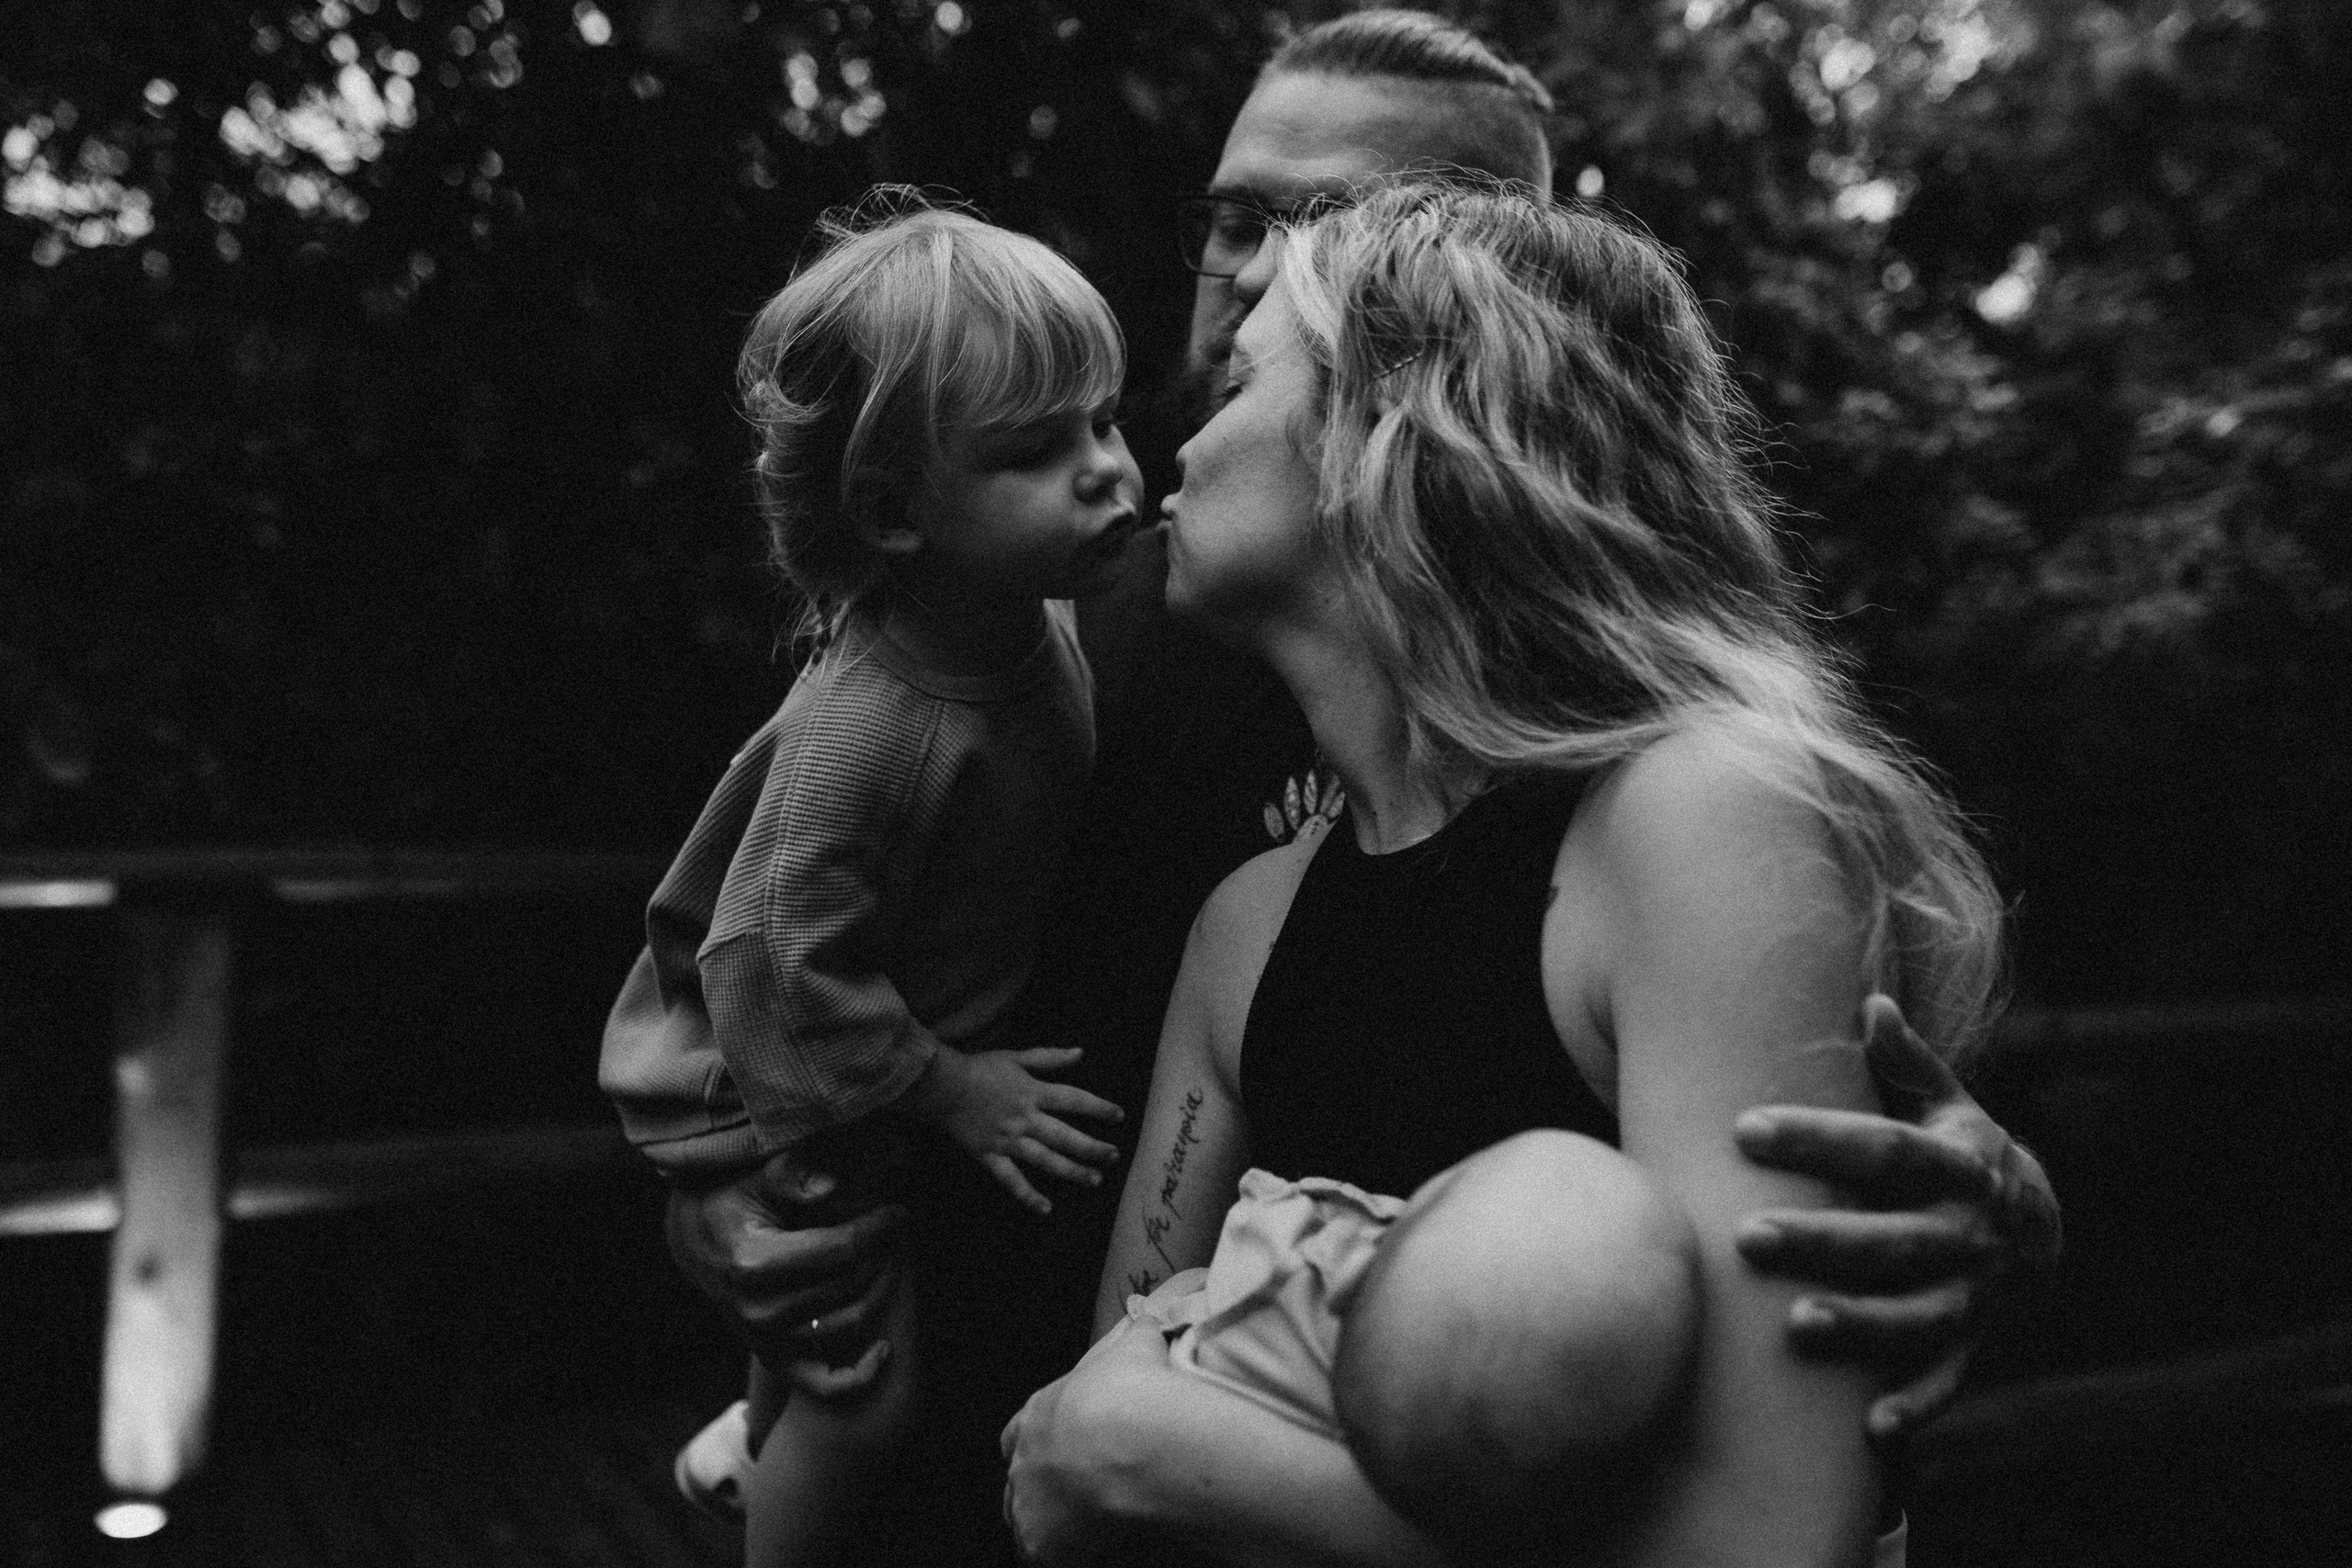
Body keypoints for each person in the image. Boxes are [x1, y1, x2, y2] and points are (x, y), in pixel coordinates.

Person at [654, 6, 2059, 1553]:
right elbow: (755, 929)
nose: (1244, 276)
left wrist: (1971, 1188)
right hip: (936, 1444)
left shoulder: (1668, 796)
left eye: (1324, 231)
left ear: (1436, 353)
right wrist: (728, 1185)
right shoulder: (1013, 634)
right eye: (1232, 222)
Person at [1001, 175, 2009, 1567]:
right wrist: (1124, 1453)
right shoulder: (1250, 918)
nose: (1187, 431)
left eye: (1241, 379)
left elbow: (1773, 1536)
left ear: (1392, 426)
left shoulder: (1696, 817)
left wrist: (1184, 1463)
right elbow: (1101, 1449)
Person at [596, 193, 1144, 1564]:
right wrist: (952, 1085)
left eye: (1107, 420)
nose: (1105, 470)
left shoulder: (1038, 614)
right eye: (1036, 449)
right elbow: (768, 958)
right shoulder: (875, 723)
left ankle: (750, 1434)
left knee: (822, 1355)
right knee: (862, 1377)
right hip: (768, 1073)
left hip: (844, 1058)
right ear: (895, 511)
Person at [1119, 1129, 1705, 1566]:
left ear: (1342, 1273)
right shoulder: (1445, 1480)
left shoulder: (1280, 1278)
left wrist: (1157, 1316)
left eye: (1402, 1218)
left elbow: (1150, 1317)